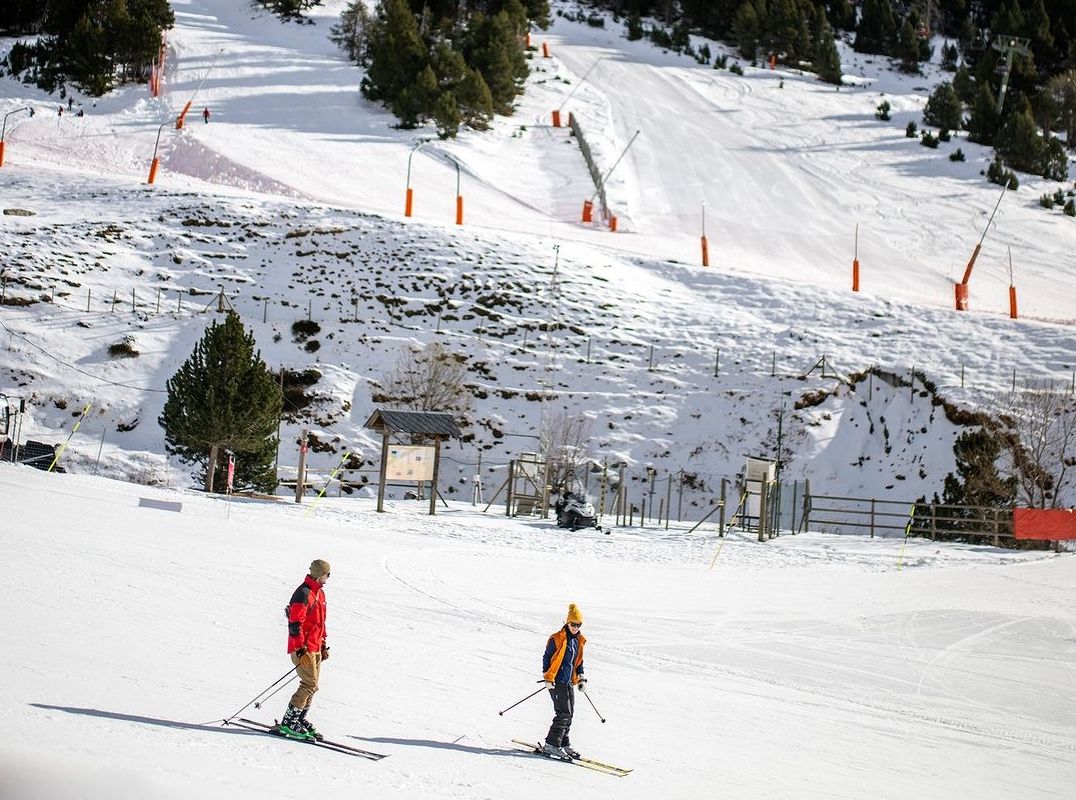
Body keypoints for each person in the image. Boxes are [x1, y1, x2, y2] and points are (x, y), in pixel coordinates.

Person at [274, 559, 331, 741]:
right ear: (319, 573)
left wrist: (322, 644)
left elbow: (319, 623)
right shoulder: (304, 593)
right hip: (303, 649)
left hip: (314, 647)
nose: (328, 578)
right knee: (309, 684)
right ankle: (288, 723)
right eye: (327, 574)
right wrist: (300, 650)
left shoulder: (319, 594)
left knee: (313, 687)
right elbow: (295, 623)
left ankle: (298, 719)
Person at [540, 603, 587, 759]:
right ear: (567, 622)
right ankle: (551, 745)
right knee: (563, 713)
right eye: (573, 624)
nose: (575, 627)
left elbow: (578, 661)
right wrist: (547, 677)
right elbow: (547, 657)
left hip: (568, 682)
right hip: (555, 680)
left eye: (578, 624)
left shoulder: (577, 641)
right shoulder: (557, 638)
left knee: (570, 713)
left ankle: (563, 743)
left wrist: (580, 677)